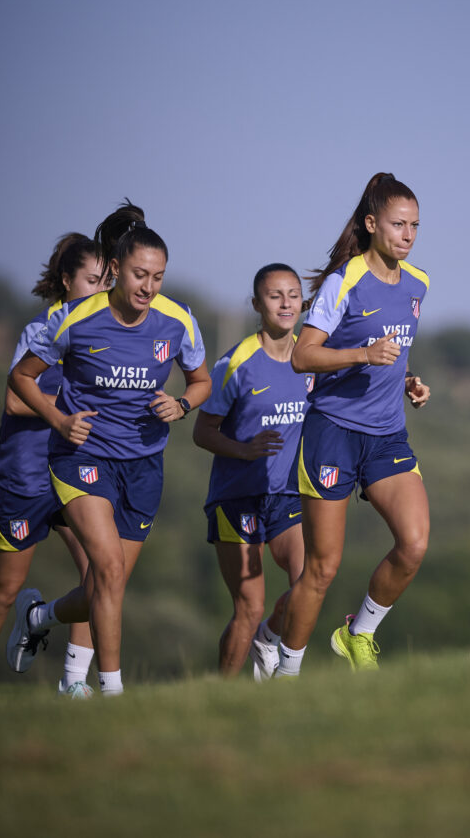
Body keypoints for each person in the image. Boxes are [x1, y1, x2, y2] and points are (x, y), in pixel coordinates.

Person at [6, 201, 210, 696]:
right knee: (109, 568)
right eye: (140, 274)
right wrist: (59, 418)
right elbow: (22, 378)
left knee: (107, 588)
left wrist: (181, 406)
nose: (149, 287)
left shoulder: (177, 320)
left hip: (143, 464)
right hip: (82, 458)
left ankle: (40, 616)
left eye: (158, 277)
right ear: (116, 270)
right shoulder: (77, 318)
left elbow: (201, 381)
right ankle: (111, 691)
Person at [275, 172, 431, 677]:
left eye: (414, 226)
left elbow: (395, 348)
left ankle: (358, 632)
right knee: (321, 568)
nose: (407, 235)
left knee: (414, 543)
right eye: (398, 224)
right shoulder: (346, 280)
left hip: (387, 434)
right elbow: (302, 356)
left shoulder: (418, 284)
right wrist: (363, 353)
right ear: (371, 224)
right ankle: (287, 670)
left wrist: (408, 379)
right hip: (332, 433)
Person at [0, 234, 110, 705]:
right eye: (92, 280)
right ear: (66, 281)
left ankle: (74, 681)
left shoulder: (105, 333)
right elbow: (12, 397)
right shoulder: (43, 329)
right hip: (23, 476)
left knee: (99, 575)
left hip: (73, 471)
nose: (101, 289)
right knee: (3, 590)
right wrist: (66, 410)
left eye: (106, 282)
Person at [193, 264, 310, 680]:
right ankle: (220, 694)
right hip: (236, 496)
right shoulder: (236, 363)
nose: (285, 303)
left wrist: (406, 382)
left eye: (293, 294)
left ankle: (269, 638)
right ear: (257, 304)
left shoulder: (310, 358)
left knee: (309, 582)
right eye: (275, 295)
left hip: (288, 494)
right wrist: (244, 451)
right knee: (249, 607)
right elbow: (202, 432)